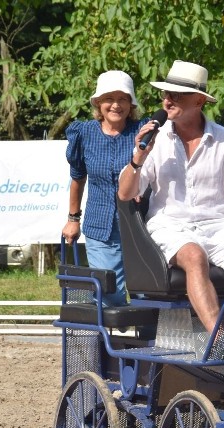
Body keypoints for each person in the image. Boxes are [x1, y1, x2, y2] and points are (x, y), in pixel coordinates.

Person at [117, 60, 224, 338]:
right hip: (171, 227)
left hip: (220, 229)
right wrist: (138, 157)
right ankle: (221, 340)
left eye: (175, 94)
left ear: (198, 101)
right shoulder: (154, 139)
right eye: (165, 93)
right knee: (195, 256)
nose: (166, 99)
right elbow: (124, 194)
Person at [63, 70, 148, 306]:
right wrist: (73, 219)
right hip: (100, 227)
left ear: (131, 104)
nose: (116, 105)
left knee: (147, 293)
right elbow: (78, 178)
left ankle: (148, 342)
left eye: (122, 99)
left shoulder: (143, 131)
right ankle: (110, 341)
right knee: (109, 296)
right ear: (98, 103)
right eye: (109, 99)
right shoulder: (84, 133)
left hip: (140, 226)